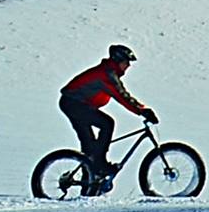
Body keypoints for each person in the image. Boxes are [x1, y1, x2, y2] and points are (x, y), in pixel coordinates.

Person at [59, 45, 156, 193]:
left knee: (89, 148)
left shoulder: (108, 72)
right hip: (73, 104)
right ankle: (100, 164)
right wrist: (142, 110)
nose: (128, 66)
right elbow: (122, 96)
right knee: (107, 123)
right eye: (126, 62)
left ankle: (90, 184)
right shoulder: (106, 75)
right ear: (118, 60)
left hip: (74, 104)